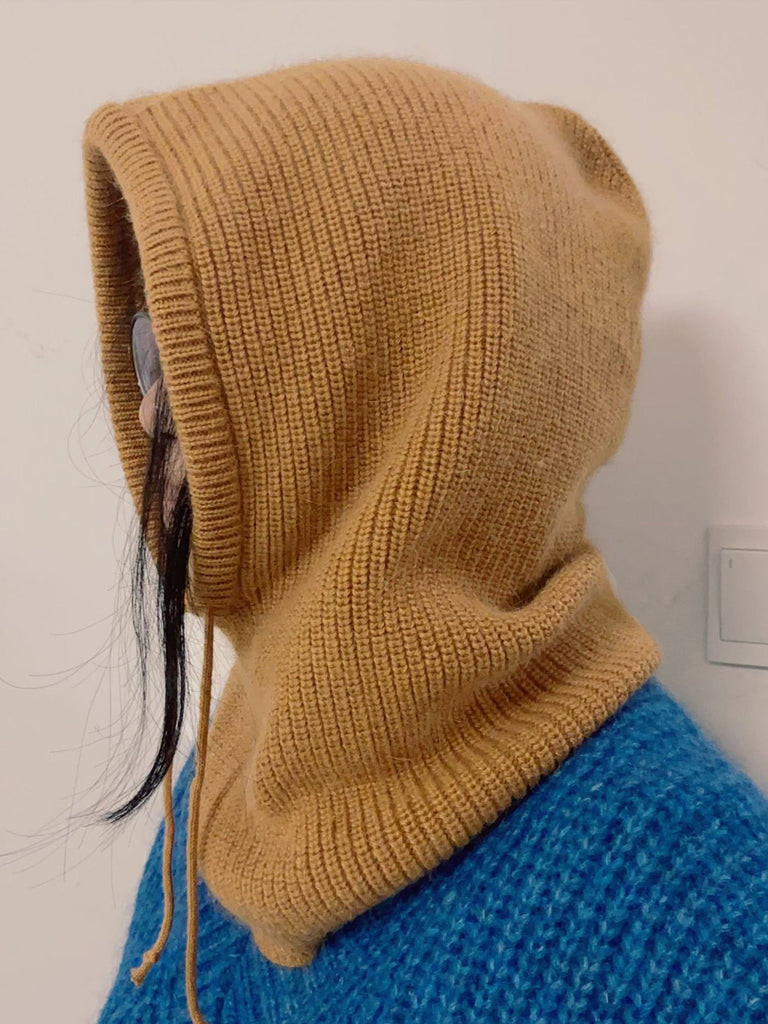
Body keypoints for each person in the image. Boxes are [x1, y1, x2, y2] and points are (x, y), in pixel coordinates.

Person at [81, 55, 768, 1024]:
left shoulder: (709, 934)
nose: (152, 410)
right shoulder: (247, 760)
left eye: (196, 356)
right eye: (150, 346)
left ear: (388, 383)